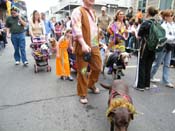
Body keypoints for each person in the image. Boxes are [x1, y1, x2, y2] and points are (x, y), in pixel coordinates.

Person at [71, 0, 102, 104]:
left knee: (98, 67)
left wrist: (98, 42)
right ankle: (82, 93)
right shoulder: (77, 11)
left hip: (94, 45)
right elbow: (76, 29)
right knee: (83, 71)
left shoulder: (92, 12)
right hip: (83, 46)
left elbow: (93, 29)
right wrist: (83, 44)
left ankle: (90, 84)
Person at [134, 6, 159, 91]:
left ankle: (140, 86)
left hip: (145, 46)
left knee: (142, 64)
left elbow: (139, 35)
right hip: (153, 47)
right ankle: (147, 85)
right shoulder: (156, 23)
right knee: (149, 65)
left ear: (148, 12)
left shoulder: (145, 23)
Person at [150, 9, 175, 88]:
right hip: (163, 46)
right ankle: (150, 76)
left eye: (172, 15)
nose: (172, 17)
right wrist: (173, 38)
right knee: (157, 63)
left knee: (167, 64)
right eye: (170, 15)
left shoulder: (173, 24)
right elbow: (165, 37)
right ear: (165, 17)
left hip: (170, 46)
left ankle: (166, 80)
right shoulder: (163, 25)